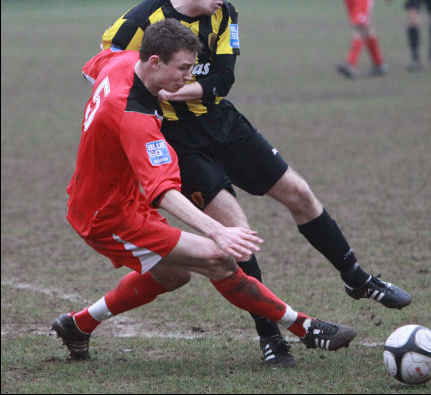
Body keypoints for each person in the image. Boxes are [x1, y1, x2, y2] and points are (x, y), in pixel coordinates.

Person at [100, 0, 411, 368]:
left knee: (299, 192)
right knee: (236, 228)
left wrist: (179, 89)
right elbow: (106, 69)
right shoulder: (140, 20)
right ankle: (270, 336)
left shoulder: (224, 16)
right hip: (177, 141)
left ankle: (356, 278)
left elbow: (224, 78)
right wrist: (142, 113)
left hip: (223, 123)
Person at [51, 19, 357, 361]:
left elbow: (93, 69)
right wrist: (218, 231)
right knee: (218, 258)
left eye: (191, 68)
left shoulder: (123, 61)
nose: (188, 77)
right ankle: (303, 326)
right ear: (154, 62)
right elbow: (164, 193)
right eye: (182, 69)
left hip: (121, 199)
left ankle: (79, 325)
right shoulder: (135, 117)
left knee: (174, 274)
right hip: (107, 217)